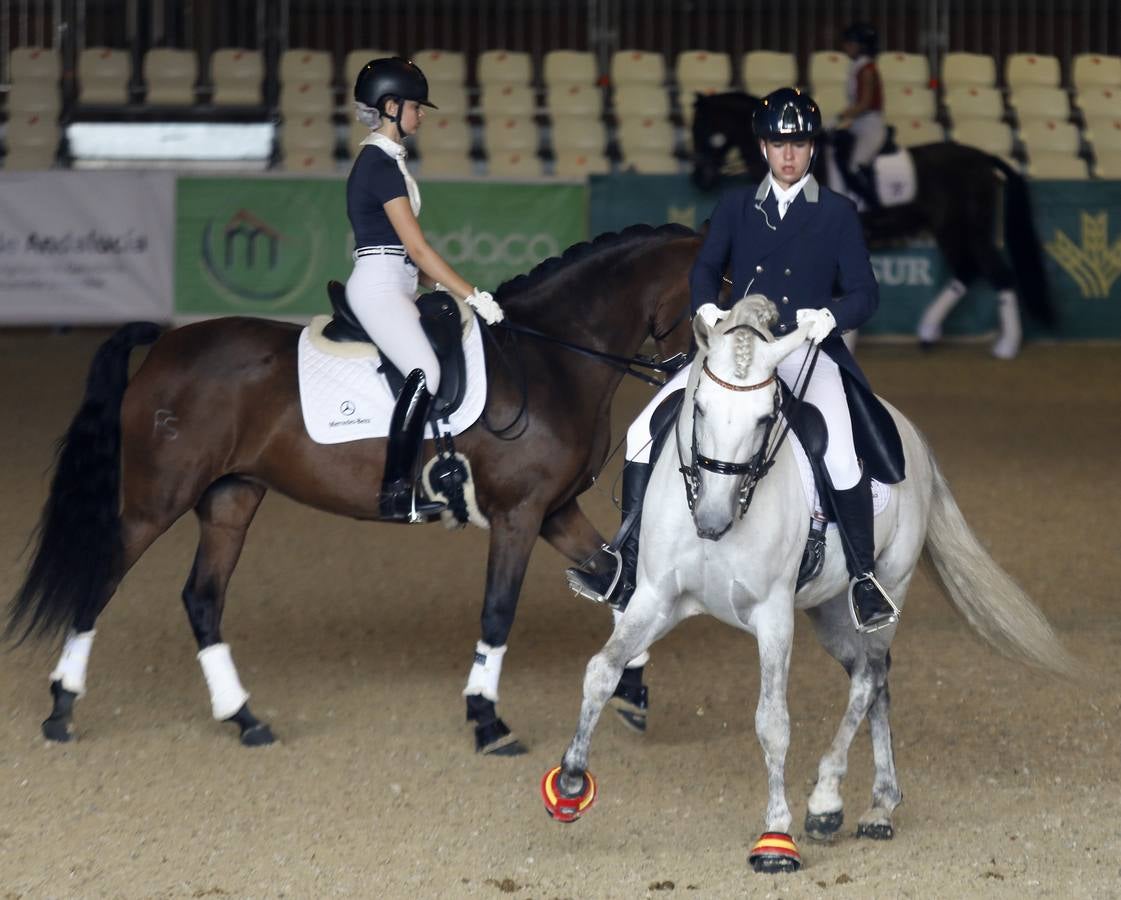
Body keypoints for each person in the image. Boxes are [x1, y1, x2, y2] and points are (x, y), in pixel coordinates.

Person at [568, 87, 899, 634]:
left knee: (839, 453)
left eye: (797, 144)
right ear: (763, 147)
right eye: (777, 144)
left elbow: (866, 292)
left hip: (803, 352)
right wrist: (704, 309)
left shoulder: (837, 213)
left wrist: (830, 318)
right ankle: (626, 560)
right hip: (739, 350)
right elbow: (705, 269)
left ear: (812, 148)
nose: (788, 155)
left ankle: (863, 578)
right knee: (646, 429)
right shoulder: (737, 207)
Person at [347, 57, 504, 523]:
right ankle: (396, 493)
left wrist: (450, 292)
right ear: (391, 106)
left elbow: (408, 257)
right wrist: (473, 293)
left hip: (396, 282)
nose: (422, 114)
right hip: (378, 286)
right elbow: (416, 248)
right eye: (416, 106)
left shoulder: (389, 161)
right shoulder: (378, 165)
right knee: (425, 371)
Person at [833, 22, 886, 210]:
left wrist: (838, 117)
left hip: (870, 127)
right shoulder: (856, 67)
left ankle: (875, 207)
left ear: (862, 46)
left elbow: (864, 104)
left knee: (856, 165)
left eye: (850, 43)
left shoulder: (868, 70)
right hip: (857, 124)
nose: (846, 47)